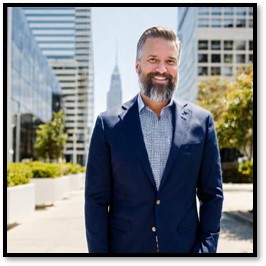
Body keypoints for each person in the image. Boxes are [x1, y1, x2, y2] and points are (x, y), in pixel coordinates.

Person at [85, 26, 223, 253]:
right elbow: (96, 201)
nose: (162, 69)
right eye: (153, 59)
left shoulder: (202, 122)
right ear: (137, 65)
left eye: (170, 61)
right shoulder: (107, 125)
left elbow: (212, 196)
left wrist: (206, 252)